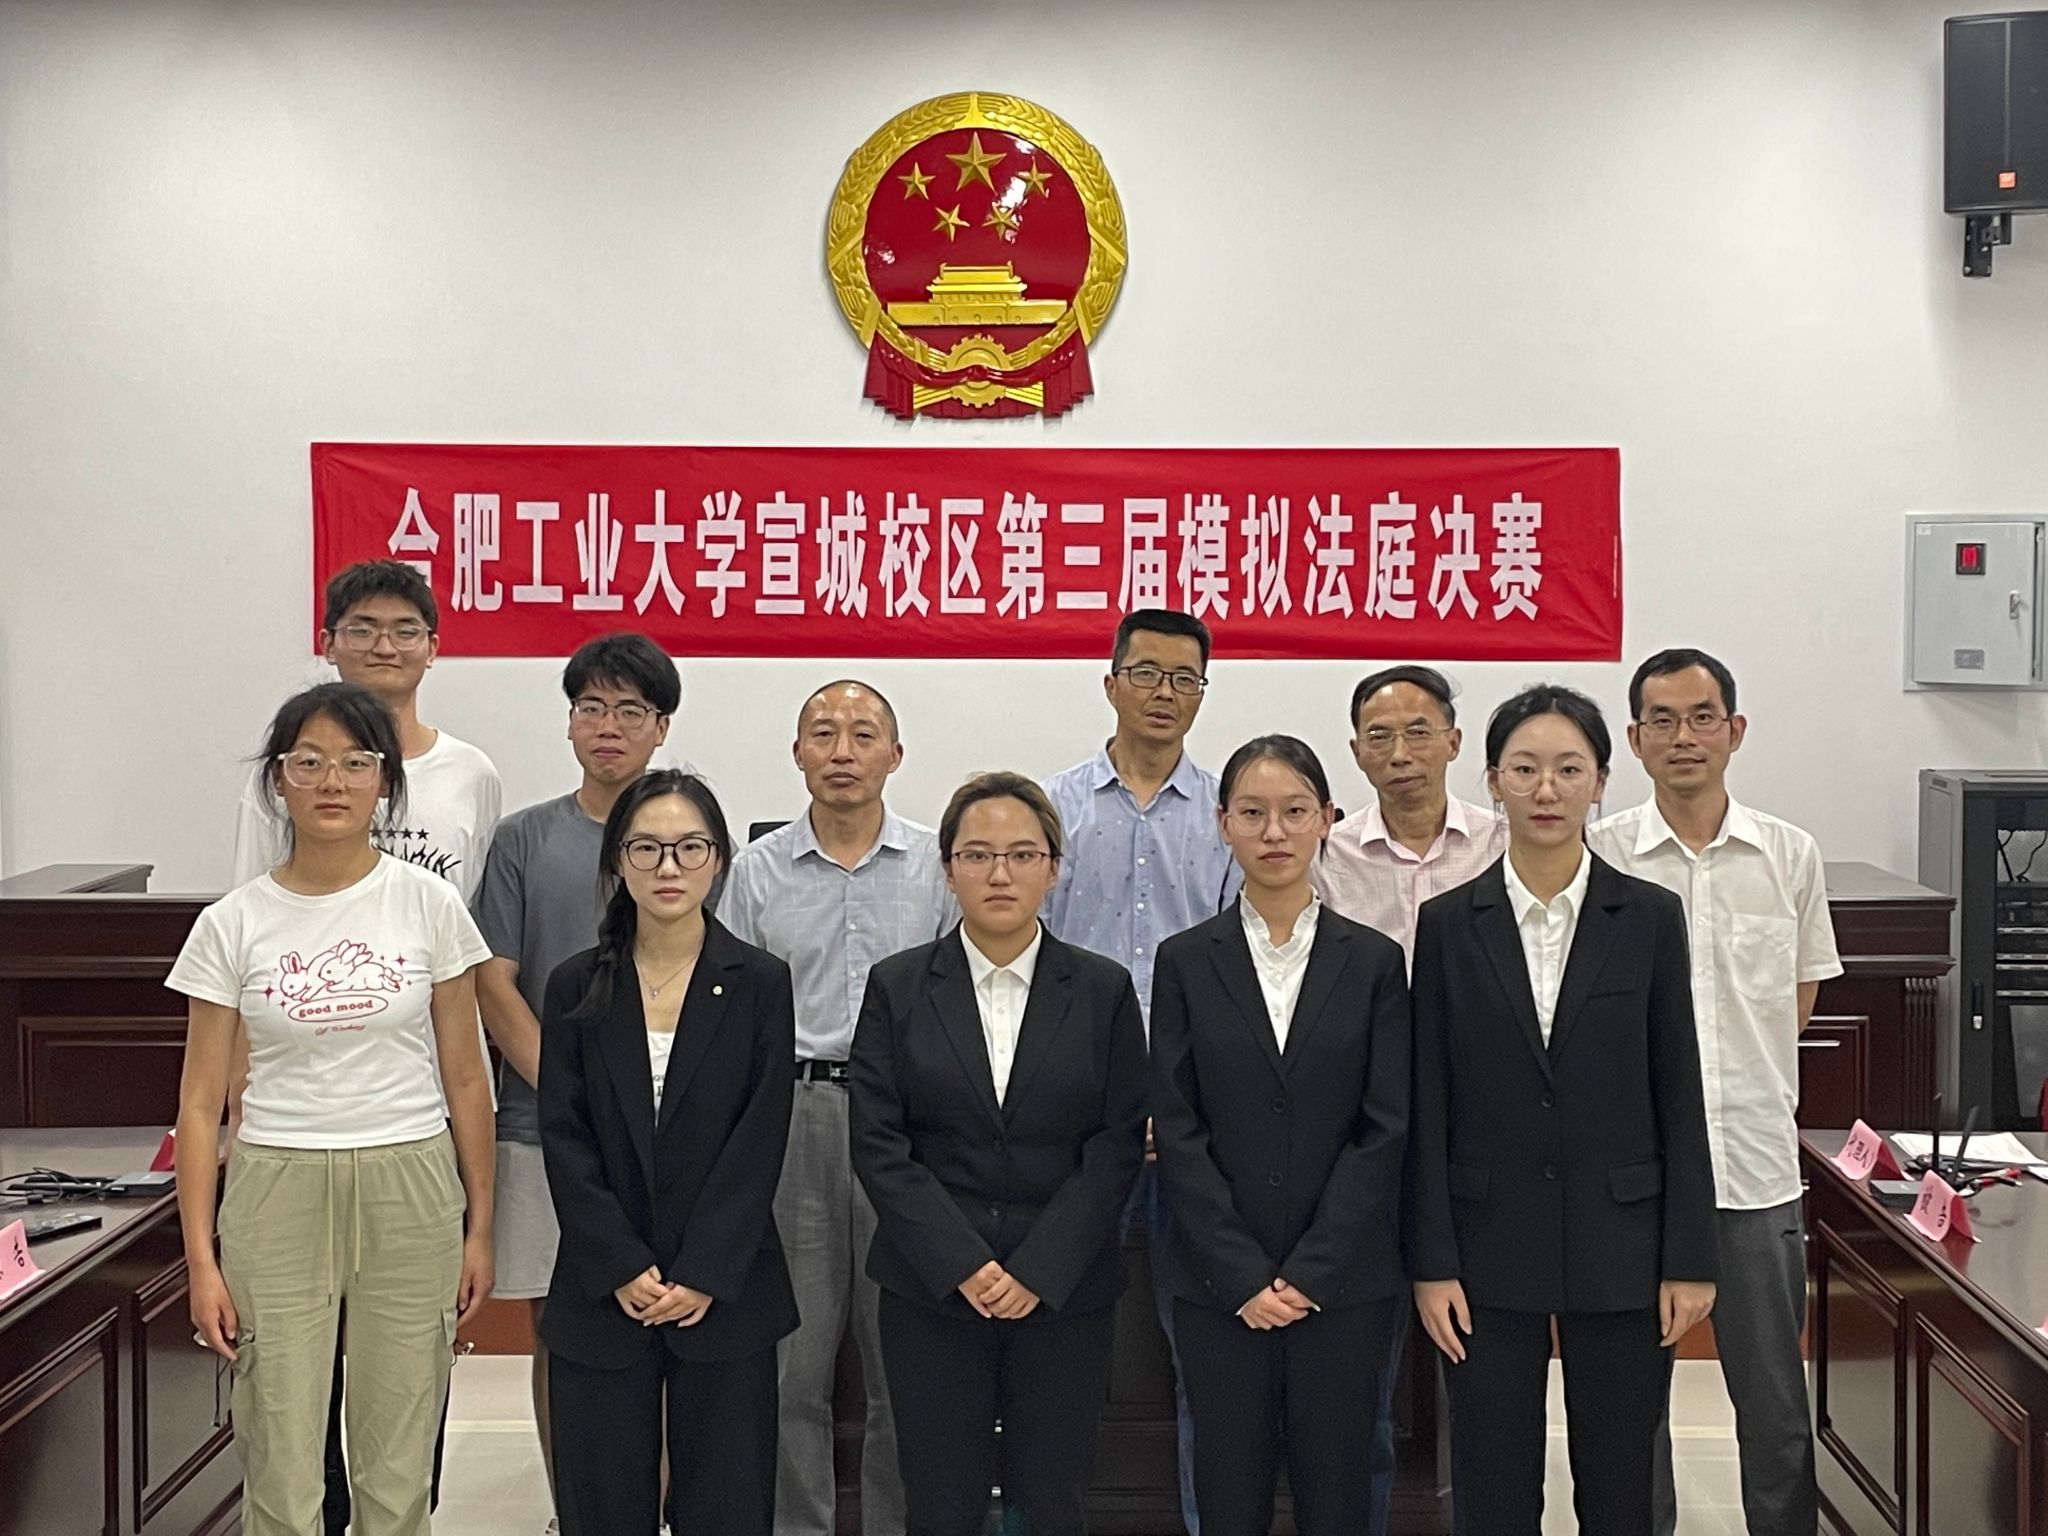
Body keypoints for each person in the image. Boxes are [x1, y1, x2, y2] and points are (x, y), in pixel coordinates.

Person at [171, 682, 495, 1536]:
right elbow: (200, 1106)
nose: (332, 782)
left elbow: (467, 1080)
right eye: (308, 762)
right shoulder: (232, 923)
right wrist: (201, 1259)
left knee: (399, 1453)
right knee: (280, 1449)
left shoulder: (429, 904)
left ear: (384, 781)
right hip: (277, 1185)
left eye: (355, 763)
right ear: (278, 780)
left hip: (411, 1181)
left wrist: (480, 1227)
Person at [1408, 683, 1719, 1536]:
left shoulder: (1649, 917)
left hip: (1623, 1243)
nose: (1546, 789)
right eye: (1525, 769)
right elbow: (1429, 1101)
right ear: (1492, 781)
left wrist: (1690, 1258)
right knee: (1493, 1485)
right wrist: (1431, 1260)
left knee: (1620, 1488)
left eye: (1568, 769)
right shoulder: (1448, 924)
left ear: (1601, 781)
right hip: (1484, 1244)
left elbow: (1679, 1090)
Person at [849, 772, 1148, 1536]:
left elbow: (1116, 1145)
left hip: (1065, 1292)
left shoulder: (1104, 990)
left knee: (1050, 1499)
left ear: (1054, 868)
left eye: (1022, 854)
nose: (1000, 873)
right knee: (939, 1501)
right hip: (932, 1291)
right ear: (948, 870)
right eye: (978, 855)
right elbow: (880, 1142)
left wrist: (1038, 1270)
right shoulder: (898, 987)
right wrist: (963, 1264)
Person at [1588, 648, 1842, 1536]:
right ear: (1634, 740)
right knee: (1631, 1409)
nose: (1683, 737)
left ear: (1735, 730)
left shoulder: (1788, 854)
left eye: (1702, 717)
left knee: (1774, 1405)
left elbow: (1797, 1002)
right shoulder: (1599, 856)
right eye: (1661, 720)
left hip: (1754, 1169)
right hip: (1633, 1176)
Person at [1149, 735, 1411, 1536]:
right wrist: (1240, 1274)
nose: (1274, 832)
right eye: (1253, 813)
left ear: (1326, 820)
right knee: (1228, 1490)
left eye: (1295, 811)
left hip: (1344, 1283)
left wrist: (1311, 1272)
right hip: (1217, 1284)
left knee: (1339, 1492)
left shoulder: (1373, 962)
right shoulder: (1184, 961)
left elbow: (1384, 1127)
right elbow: (1178, 1127)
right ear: (1222, 823)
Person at [719, 681, 955, 1536]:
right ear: (798, 754)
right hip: (793, 1115)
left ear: (896, 754)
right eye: (823, 733)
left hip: (909, 1125)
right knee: (793, 1364)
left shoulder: (937, 866)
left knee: (905, 1363)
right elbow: (733, 1013)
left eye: (863, 734)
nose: (843, 751)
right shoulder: (755, 871)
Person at [539, 770, 798, 1536]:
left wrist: (705, 1271)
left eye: (690, 847)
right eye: (646, 848)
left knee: (727, 1504)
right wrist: (621, 1264)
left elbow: (759, 1138)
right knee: (601, 1503)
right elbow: (565, 1137)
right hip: (602, 1285)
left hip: (726, 1287)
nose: (668, 867)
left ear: (718, 859)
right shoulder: (576, 985)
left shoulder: (759, 982)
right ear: (618, 860)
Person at [472, 631, 683, 1532]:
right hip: (542, 1128)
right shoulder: (524, 839)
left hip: (672, 1132)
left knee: (669, 1319)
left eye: (631, 710)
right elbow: (494, 983)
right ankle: (577, 1508)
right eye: (591, 707)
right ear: (568, 724)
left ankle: (663, 1504)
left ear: (661, 728)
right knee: (563, 1328)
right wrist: (572, 1091)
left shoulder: (683, 836)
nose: (609, 726)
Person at [1041, 607, 1238, 1535]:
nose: (1166, 693)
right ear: (1111, 681)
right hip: (1074, 1123)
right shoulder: (1051, 810)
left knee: (1208, 1352)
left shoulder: (1233, 814)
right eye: (1148, 673)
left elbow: (1241, 974)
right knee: (1055, 1345)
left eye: (1185, 678)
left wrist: (1180, 1104)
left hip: (1198, 1125)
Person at [1312, 663, 1505, 1533]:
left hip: (1483, 1132)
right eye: (1380, 737)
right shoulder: (1328, 855)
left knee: (1488, 1370)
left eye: (1418, 732)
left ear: (1454, 743)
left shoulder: (1503, 842)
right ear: (1355, 753)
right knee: (1364, 1376)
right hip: (1365, 1131)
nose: (1400, 752)